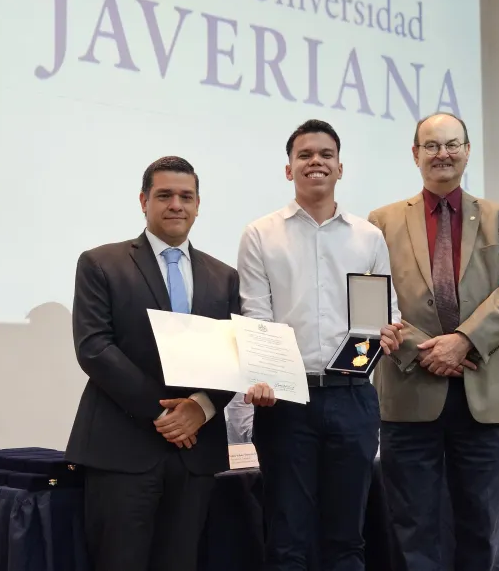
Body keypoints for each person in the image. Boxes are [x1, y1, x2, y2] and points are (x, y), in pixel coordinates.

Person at [65, 155, 272, 571]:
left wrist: (200, 408)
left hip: (195, 456)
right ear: (144, 201)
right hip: (122, 450)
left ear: (198, 205)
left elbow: (233, 354)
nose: (176, 204)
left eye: (186, 196)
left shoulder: (224, 277)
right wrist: (166, 414)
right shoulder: (100, 263)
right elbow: (94, 348)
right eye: (164, 195)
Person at [368, 112, 499, 571]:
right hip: (409, 388)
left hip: (483, 390)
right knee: (412, 528)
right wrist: (426, 350)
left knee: (481, 526)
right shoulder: (380, 222)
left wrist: (462, 341)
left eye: (452, 144)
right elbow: (372, 298)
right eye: (432, 145)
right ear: (415, 154)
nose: (442, 153)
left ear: (467, 150)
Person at [237, 119, 403, 571]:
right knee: (287, 538)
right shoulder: (260, 234)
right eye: (305, 155)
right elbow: (256, 315)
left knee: (346, 539)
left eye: (326, 154)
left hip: (353, 396)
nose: (316, 162)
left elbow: (383, 313)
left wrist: (389, 330)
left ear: (340, 168)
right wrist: (263, 376)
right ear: (288, 169)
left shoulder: (368, 236)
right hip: (286, 403)